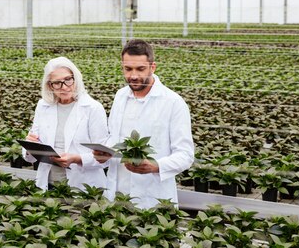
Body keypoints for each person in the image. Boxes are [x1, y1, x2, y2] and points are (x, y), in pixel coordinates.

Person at [93, 39, 194, 209]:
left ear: (152, 67)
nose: (133, 76)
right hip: (117, 195)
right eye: (128, 69)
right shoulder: (120, 96)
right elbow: (114, 137)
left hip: (153, 198)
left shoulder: (173, 103)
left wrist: (156, 166)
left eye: (140, 69)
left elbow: (185, 155)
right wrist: (105, 153)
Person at [23, 56, 108, 191]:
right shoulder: (43, 106)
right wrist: (30, 146)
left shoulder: (93, 108)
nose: (64, 87)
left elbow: (104, 156)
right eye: (57, 83)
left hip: (83, 187)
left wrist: (76, 159)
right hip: (49, 184)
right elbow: (32, 152)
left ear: (76, 78)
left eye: (68, 80)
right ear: (49, 85)